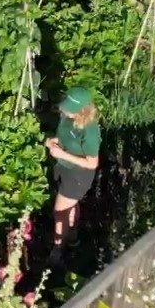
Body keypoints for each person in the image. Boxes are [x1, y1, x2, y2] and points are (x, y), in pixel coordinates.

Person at [46, 86, 100, 265]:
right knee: (70, 205)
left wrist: (62, 155)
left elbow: (92, 163)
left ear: (82, 111)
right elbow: (65, 135)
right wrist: (55, 141)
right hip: (65, 167)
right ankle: (73, 237)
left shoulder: (90, 131)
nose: (63, 109)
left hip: (78, 176)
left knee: (60, 212)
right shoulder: (67, 116)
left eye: (68, 107)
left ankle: (57, 251)